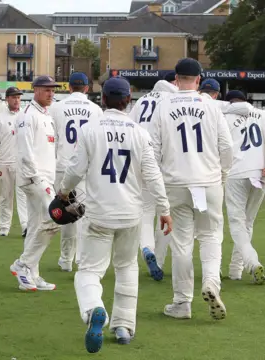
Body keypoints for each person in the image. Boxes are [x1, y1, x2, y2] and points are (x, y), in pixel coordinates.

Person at [57, 76, 172, 353]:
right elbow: (153, 176)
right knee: (126, 268)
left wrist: (63, 192)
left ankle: (95, 310)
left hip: (98, 213)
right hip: (131, 213)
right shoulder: (139, 132)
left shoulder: (90, 129)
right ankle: (123, 326)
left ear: (103, 98)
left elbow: (74, 171)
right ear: (127, 101)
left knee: (88, 271)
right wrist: (165, 209)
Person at [150, 58, 233, 320]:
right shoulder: (210, 105)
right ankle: (211, 282)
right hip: (207, 181)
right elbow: (227, 148)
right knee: (210, 236)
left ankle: (182, 302)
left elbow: (152, 149)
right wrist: (222, 174)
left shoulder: (162, 106)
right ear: (198, 80)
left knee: (181, 243)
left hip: (175, 183)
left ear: (176, 78)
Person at [9, 75, 62, 292]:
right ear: (36, 90)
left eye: (53, 90)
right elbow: (25, 151)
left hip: (45, 177)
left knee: (35, 227)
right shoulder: (27, 115)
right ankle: (23, 264)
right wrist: (37, 178)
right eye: (46, 90)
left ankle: (32, 274)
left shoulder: (46, 116)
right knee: (55, 220)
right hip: (34, 178)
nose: (51, 93)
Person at [221, 90, 265, 283]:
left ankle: (252, 262)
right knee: (248, 222)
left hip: (236, 172)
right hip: (260, 173)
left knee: (237, 223)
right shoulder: (264, 115)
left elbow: (222, 147)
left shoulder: (225, 116)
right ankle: (235, 270)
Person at [49, 72, 104, 272]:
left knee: (66, 215)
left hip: (63, 165)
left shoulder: (56, 107)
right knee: (84, 215)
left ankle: (65, 259)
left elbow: (51, 138)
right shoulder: (96, 109)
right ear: (87, 88)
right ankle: (81, 259)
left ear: (69, 87)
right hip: (87, 167)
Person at [128, 71, 177, 281]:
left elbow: (129, 127)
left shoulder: (142, 101)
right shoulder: (173, 100)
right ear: (175, 81)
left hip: (139, 162)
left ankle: (146, 248)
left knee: (145, 214)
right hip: (164, 164)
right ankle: (158, 258)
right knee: (166, 214)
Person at [0, 87, 28, 237]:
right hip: (4, 161)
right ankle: (4, 227)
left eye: (19, 98)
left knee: (22, 195)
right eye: (14, 97)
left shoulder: (25, 116)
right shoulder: (0, 118)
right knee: (5, 196)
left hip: (21, 163)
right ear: (7, 99)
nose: (16, 100)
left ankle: (25, 226)